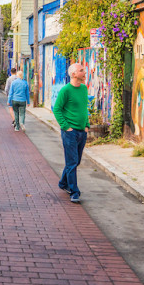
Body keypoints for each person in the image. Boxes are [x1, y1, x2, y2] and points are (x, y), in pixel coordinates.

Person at [53, 62, 89, 203]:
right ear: (74, 74)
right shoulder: (65, 90)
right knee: (72, 162)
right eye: (81, 70)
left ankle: (63, 183)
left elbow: (84, 109)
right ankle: (74, 192)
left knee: (75, 161)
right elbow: (57, 109)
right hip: (70, 132)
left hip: (82, 131)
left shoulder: (84, 89)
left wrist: (86, 125)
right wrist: (66, 126)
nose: (84, 72)